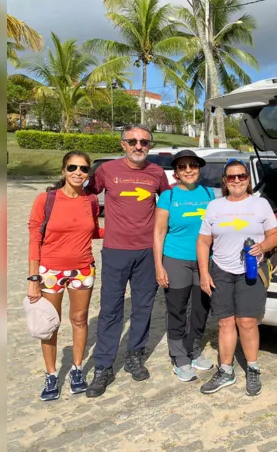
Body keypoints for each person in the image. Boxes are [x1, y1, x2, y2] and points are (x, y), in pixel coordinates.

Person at [84, 124, 170, 398]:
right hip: (115, 250)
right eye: (132, 141)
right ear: (122, 144)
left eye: (144, 142)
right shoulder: (106, 170)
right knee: (111, 309)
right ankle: (104, 366)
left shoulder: (156, 173)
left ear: (149, 146)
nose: (138, 146)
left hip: (147, 251)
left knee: (143, 307)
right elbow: (85, 197)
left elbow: (167, 206)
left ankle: (135, 355)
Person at [197, 158, 277, 397]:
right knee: (224, 322)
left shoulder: (260, 204)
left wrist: (263, 246)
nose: (236, 181)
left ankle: (252, 368)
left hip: (250, 270)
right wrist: (204, 272)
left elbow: (275, 234)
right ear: (224, 181)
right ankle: (226, 371)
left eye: (241, 176)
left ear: (248, 179)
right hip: (221, 270)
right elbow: (204, 241)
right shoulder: (215, 207)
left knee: (246, 322)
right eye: (231, 177)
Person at [26, 151, 103, 400]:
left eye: (83, 169)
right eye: (72, 167)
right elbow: (34, 239)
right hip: (50, 271)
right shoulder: (46, 200)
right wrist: (33, 278)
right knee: (50, 325)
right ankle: (51, 374)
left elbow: (91, 232)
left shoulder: (90, 201)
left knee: (79, 319)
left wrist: (122, 231)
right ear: (63, 171)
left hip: (83, 269)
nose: (78, 173)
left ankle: (77, 370)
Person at [153, 150, 216, 382]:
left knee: (201, 309)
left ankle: (194, 349)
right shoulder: (168, 197)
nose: (188, 170)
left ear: (199, 168)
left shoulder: (209, 194)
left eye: (193, 165)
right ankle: (180, 357)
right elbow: (159, 232)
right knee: (177, 310)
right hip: (175, 260)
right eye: (182, 167)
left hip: (204, 262)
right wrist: (159, 266)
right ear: (176, 172)